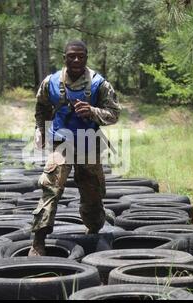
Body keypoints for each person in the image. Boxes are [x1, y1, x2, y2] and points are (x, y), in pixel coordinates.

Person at [29, 40, 121, 256]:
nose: (76, 60)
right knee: (51, 187)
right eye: (72, 56)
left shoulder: (100, 84)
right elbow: (41, 107)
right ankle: (38, 241)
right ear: (65, 57)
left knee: (92, 193)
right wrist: (40, 129)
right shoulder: (50, 82)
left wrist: (92, 111)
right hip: (61, 143)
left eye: (80, 56)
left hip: (88, 144)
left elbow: (114, 114)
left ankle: (95, 226)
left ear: (86, 57)